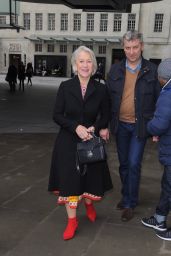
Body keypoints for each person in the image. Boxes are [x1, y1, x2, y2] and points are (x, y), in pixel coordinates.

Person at [48, 46, 113, 240]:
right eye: (81, 61)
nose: (85, 65)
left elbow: (106, 114)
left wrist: (96, 126)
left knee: (89, 179)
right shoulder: (65, 87)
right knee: (70, 181)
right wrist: (75, 127)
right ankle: (72, 221)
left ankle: (89, 203)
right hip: (68, 140)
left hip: (90, 141)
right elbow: (57, 115)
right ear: (75, 65)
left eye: (89, 61)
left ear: (94, 65)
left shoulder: (101, 89)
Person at [106, 30, 161, 221]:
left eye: (135, 47)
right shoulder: (114, 70)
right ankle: (128, 194)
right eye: (128, 48)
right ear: (123, 48)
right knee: (123, 165)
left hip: (140, 126)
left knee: (134, 163)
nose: (131, 52)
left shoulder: (152, 70)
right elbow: (107, 101)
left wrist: (157, 127)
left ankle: (129, 203)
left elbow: (159, 100)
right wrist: (104, 125)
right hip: (120, 126)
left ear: (142, 46)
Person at [141, 58, 171, 241]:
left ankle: (162, 223)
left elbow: (159, 124)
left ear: (162, 78)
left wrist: (150, 127)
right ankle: (159, 219)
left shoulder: (168, 94)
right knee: (167, 186)